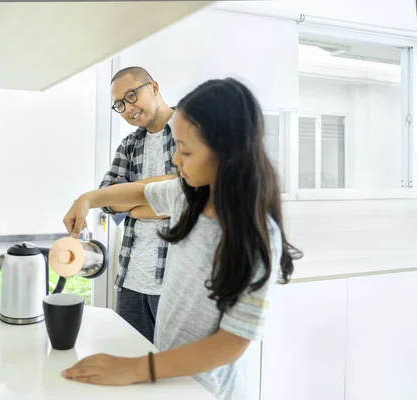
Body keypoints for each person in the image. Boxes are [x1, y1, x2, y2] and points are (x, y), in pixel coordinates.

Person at [60, 78, 302, 399]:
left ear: (226, 153)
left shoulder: (255, 237)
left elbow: (230, 344)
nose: (176, 160)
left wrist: (135, 369)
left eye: (185, 150)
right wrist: (87, 199)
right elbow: (138, 190)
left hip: (208, 390)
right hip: (172, 379)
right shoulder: (188, 195)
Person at [98, 66, 178, 343]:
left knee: (176, 377)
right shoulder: (129, 144)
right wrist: (163, 194)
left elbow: (190, 194)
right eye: (119, 104)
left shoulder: (190, 129)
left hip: (175, 285)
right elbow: (106, 198)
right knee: (132, 369)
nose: (127, 108)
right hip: (130, 280)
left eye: (131, 96)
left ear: (154, 88)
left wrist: (131, 203)